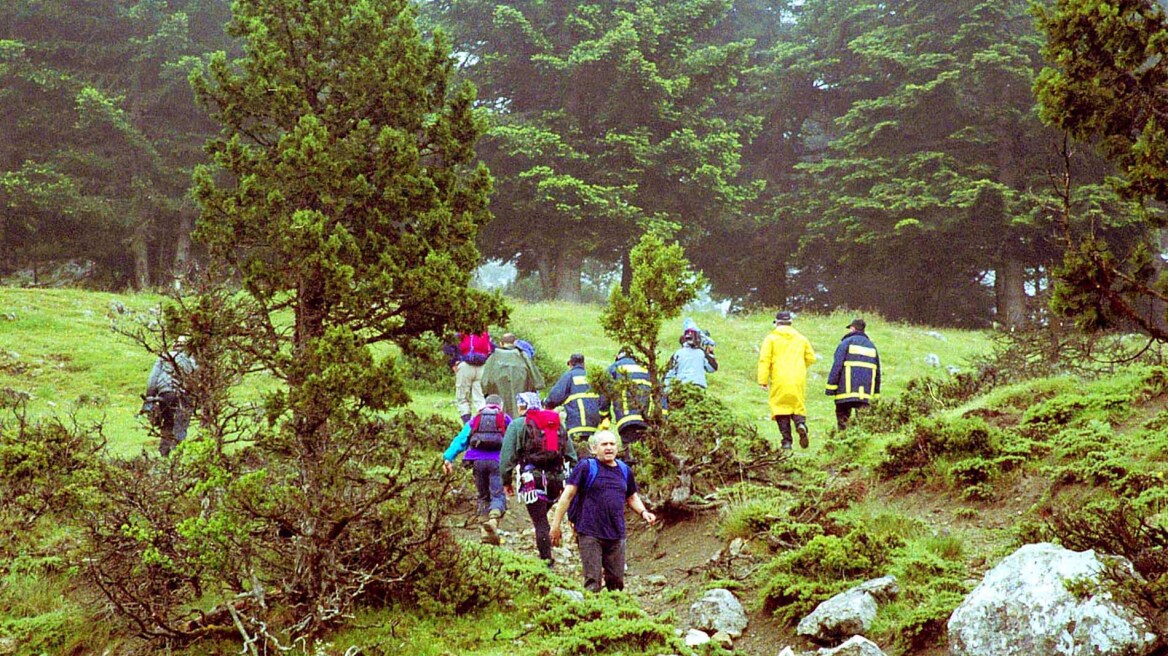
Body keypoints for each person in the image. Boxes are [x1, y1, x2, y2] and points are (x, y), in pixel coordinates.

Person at [549, 430, 657, 592]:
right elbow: (567, 496)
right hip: (590, 532)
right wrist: (556, 525)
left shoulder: (624, 470)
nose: (609, 448)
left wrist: (644, 512)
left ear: (617, 447)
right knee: (593, 582)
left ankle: (616, 614)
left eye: (612, 444)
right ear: (594, 448)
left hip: (616, 533)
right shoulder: (586, 467)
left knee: (617, 583)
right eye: (604, 444)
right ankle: (593, 614)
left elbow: (632, 497)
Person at [500, 391, 578, 567]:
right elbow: (571, 455)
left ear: (522, 406)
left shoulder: (518, 425)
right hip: (557, 481)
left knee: (540, 521)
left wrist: (506, 481)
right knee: (542, 516)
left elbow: (506, 458)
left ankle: (546, 561)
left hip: (532, 480)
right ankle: (549, 546)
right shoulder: (556, 424)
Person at [442, 394, 511, 545]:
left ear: (485, 404)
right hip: (497, 462)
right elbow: (514, 441)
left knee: (483, 496)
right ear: (501, 405)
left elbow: (461, 440)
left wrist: (448, 458)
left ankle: (484, 532)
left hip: (477, 462)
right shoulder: (504, 418)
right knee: (497, 495)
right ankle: (493, 521)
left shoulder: (476, 419)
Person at [757, 311, 817, 450]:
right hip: (797, 378)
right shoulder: (801, 338)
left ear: (777, 323)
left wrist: (763, 380)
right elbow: (811, 357)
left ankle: (786, 441)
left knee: (780, 408)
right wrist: (801, 367)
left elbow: (764, 360)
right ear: (790, 323)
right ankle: (800, 424)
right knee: (797, 405)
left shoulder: (771, 338)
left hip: (779, 378)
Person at [143, 336, 196, 456]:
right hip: (184, 394)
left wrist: (149, 399)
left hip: (165, 394)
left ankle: (164, 452)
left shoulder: (163, 357)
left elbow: (153, 379)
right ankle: (177, 452)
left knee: (167, 422)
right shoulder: (192, 359)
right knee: (181, 423)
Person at [826, 318, 881, 430]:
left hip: (845, 392)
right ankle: (861, 442)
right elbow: (877, 372)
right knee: (864, 424)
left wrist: (830, 387)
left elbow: (837, 366)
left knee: (843, 420)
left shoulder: (846, 343)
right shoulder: (872, 346)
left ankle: (842, 440)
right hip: (866, 394)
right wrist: (876, 394)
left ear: (852, 328)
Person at [599, 348, 653, 453]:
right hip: (645, 420)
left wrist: (605, 416)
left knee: (629, 452)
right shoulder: (645, 369)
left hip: (626, 419)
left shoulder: (614, 368)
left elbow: (605, 395)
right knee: (644, 451)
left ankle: (631, 466)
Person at [481, 333, 544, 419]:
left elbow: (484, 381)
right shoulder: (523, 356)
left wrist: (486, 393)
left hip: (498, 393)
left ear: (501, 343)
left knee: (501, 415)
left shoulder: (493, 357)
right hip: (521, 393)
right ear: (515, 342)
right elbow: (536, 379)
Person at [545, 353, 602, 447]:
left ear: (571, 364)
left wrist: (547, 404)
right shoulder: (591, 377)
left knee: (577, 448)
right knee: (589, 447)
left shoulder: (569, 376)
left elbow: (555, 396)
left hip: (576, 421)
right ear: (584, 364)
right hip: (593, 421)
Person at [443, 330, 494, 423]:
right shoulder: (483, 332)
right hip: (482, 366)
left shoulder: (461, 332)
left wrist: (453, 362)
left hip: (465, 366)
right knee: (480, 397)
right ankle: (484, 424)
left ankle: (467, 425)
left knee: (462, 398)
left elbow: (449, 348)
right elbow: (492, 348)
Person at [664, 328, 718, 397]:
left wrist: (667, 391)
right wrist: (710, 353)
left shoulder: (678, 353)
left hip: (680, 388)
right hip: (698, 388)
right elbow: (713, 368)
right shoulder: (701, 353)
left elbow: (669, 374)